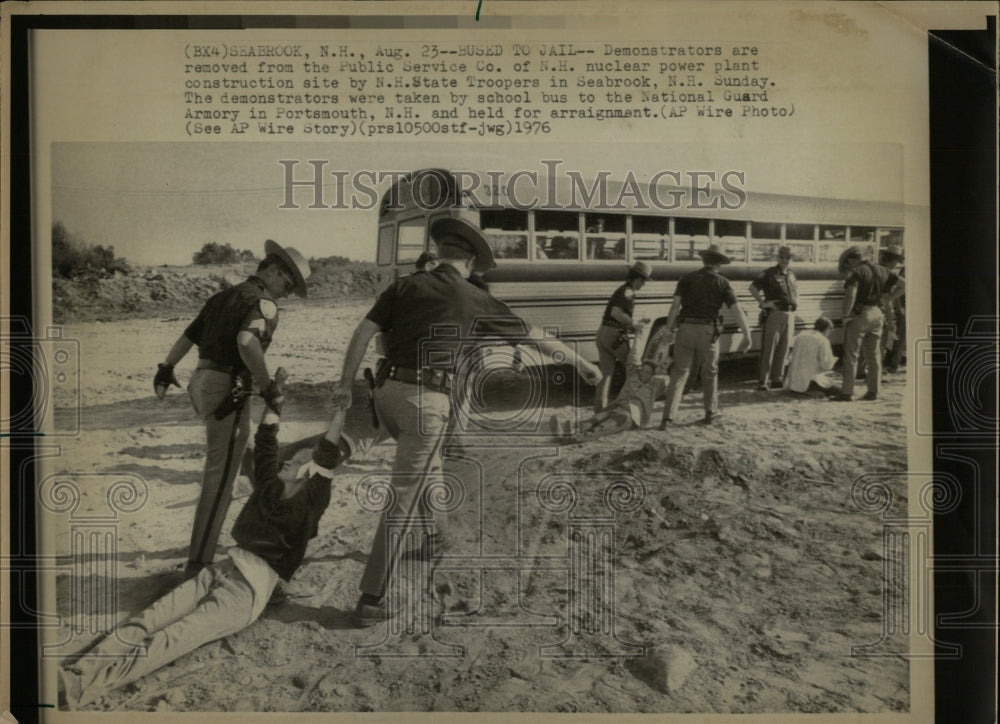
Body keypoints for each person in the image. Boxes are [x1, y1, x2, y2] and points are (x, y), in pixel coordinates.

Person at [331, 217, 601, 627]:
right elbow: (535, 338)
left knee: (430, 469)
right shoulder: (473, 296)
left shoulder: (404, 285)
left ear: (439, 253)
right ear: (472, 262)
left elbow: (364, 332)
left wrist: (343, 383)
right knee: (403, 496)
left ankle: (435, 535)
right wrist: (582, 363)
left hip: (384, 392)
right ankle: (372, 599)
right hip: (426, 403)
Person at [59, 376, 354, 710]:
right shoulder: (269, 484)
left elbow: (327, 453)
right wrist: (274, 403)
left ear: (310, 472)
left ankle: (80, 689)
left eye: (300, 460)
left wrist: (341, 412)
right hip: (221, 569)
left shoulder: (312, 501)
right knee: (147, 620)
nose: (291, 460)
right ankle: (76, 672)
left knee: (168, 640)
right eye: (292, 457)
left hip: (246, 594)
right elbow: (268, 441)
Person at [153, 240, 312, 577]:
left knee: (247, 456)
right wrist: (268, 386)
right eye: (287, 284)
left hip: (201, 383)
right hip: (226, 389)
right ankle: (198, 562)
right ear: (271, 271)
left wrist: (166, 368)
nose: (285, 293)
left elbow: (188, 336)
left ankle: (271, 517)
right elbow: (246, 342)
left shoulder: (224, 296)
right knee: (220, 480)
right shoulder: (264, 303)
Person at [658, 244, 752, 427]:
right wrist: (747, 334)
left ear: (704, 260)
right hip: (708, 333)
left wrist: (668, 330)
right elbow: (737, 309)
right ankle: (710, 413)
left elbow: (675, 306)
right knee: (709, 373)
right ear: (719, 263)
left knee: (679, 373)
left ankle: (667, 417)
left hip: (685, 329)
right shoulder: (722, 282)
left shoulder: (686, 278)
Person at [836, 245, 903, 401]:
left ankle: (847, 392)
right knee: (874, 355)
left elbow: (851, 295)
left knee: (852, 355)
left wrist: (845, 316)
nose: (847, 267)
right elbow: (904, 285)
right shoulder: (883, 270)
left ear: (852, 260)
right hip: (877, 314)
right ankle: (874, 391)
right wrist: (887, 299)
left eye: (847, 264)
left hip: (859, 315)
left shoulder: (856, 272)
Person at [594, 260, 653, 412]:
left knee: (606, 374)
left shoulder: (622, 289)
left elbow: (614, 314)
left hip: (603, 333)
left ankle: (600, 409)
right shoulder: (628, 292)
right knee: (633, 367)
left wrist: (635, 323)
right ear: (638, 279)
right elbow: (616, 312)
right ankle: (630, 406)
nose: (643, 285)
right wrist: (634, 325)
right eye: (644, 281)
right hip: (613, 335)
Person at [749, 245, 798, 391]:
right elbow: (752, 288)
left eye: (787, 257)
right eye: (782, 257)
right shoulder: (769, 273)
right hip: (775, 315)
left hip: (789, 314)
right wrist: (764, 303)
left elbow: (794, 292)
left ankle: (777, 378)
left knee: (784, 348)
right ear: (778, 257)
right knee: (769, 348)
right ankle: (763, 381)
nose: (785, 260)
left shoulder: (791, 274)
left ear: (791, 259)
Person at [783, 316, 841, 396]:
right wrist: (834, 361)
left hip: (793, 381)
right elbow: (826, 365)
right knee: (839, 390)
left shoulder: (800, 336)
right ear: (827, 328)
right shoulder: (823, 340)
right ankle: (810, 391)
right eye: (830, 330)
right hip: (810, 379)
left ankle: (803, 391)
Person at [877, 245, 906, 372]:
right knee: (883, 342)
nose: (897, 265)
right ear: (892, 260)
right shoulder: (890, 274)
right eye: (896, 262)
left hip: (869, 309)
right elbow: (903, 286)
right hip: (883, 310)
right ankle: (879, 369)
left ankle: (867, 370)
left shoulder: (873, 269)